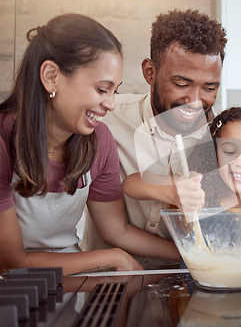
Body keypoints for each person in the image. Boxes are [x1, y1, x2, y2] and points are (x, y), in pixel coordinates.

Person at [0, 14, 180, 276]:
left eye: (114, 91)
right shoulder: (4, 141)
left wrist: (192, 257)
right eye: (101, 89)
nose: (111, 104)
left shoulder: (99, 141)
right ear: (52, 76)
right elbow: (12, 261)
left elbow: (115, 230)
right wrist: (111, 258)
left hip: (70, 284)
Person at [81, 9, 228, 268]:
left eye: (209, 88)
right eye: (182, 84)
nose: (195, 102)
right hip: (103, 280)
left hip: (181, 282)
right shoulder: (105, 118)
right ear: (150, 72)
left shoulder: (224, 138)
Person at [122, 106, 241, 258]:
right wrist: (174, 189)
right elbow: (131, 185)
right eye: (230, 151)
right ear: (214, 154)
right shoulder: (195, 191)